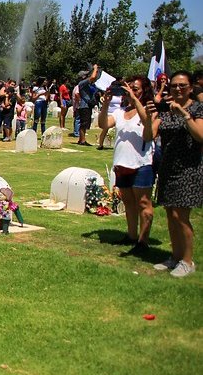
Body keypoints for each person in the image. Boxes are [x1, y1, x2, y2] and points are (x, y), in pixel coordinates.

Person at [139, 71, 202, 277]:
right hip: (168, 167)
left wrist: (184, 115)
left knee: (180, 216)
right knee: (169, 215)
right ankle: (174, 257)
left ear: (191, 88)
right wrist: (150, 117)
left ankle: (187, 261)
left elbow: (200, 135)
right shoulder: (165, 109)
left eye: (182, 86)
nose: (177, 89)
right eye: (174, 86)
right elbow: (149, 135)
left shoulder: (197, 108)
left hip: (189, 168)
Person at [98, 76, 155, 255]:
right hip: (122, 162)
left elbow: (148, 130)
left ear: (144, 91)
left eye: (135, 89)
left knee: (143, 203)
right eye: (129, 88)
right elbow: (103, 124)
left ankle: (143, 240)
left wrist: (136, 100)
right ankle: (131, 235)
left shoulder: (148, 110)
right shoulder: (120, 112)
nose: (130, 91)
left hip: (141, 163)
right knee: (128, 202)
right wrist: (106, 104)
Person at [74, 66, 99, 145]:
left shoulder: (87, 84)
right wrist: (95, 69)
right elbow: (93, 77)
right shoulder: (82, 83)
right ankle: (82, 140)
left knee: (86, 123)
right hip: (84, 106)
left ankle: (81, 139)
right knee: (84, 123)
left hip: (87, 106)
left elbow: (94, 78)